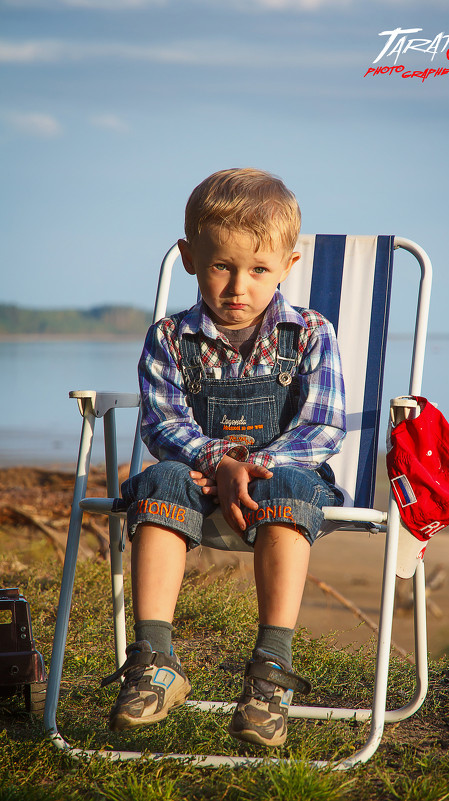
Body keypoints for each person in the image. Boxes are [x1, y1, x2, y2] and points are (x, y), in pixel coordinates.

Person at [102, 167, 346, 748]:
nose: (239, 286)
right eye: (221, 266)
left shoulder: (310, 334)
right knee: (156, 476)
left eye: (259, 269)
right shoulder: (170, 339)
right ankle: (155, 660)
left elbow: (322, 427)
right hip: (197, 482)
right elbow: (162, 422)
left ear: (289, 265)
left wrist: (251, 469)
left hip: (280, 492)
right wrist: (219, 462)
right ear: (189, 258)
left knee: (287, 483)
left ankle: (269, 675)